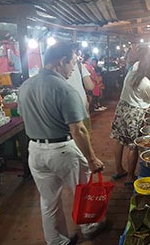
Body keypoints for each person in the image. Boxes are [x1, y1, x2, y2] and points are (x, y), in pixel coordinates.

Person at [18, 42, 105, 245]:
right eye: (73, 63)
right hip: (62, 150)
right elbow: (78, 129)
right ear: (62, 61)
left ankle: (57, 241)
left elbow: (25, 116)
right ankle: (89, 226)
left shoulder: (25, 86)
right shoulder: (65, 89)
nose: (74, 68)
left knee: (48, 201)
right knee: (82, 191)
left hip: (36, 151)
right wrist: (91, 159)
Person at [110, 47, 150, 184]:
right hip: (135, 113)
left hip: (122, 108)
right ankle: (129, 177)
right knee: (133, 145)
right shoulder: (145, 83)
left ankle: (118, 170)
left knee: (119, 140)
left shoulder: (133, 71)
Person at [67, 55, 95, 131]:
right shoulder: (79, 65)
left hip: (65, 109)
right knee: (83, 133)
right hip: (81, 103)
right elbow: (89, 86)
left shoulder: (53, 69)